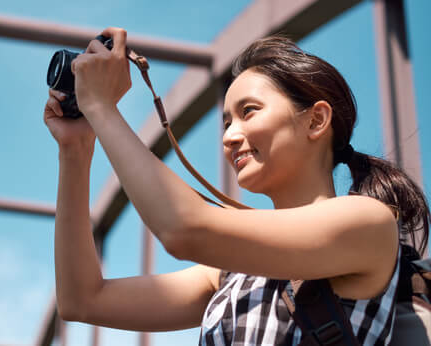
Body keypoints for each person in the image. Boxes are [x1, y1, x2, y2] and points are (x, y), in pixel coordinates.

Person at [43, 27, 430, 345]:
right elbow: (82, 300)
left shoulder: (367, 224)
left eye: (249, 112)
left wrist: (102, 108)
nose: (230, 136)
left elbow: (183, 230)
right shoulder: (229, 273)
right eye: (227, 122)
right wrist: (75, 149)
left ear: (316, 121)